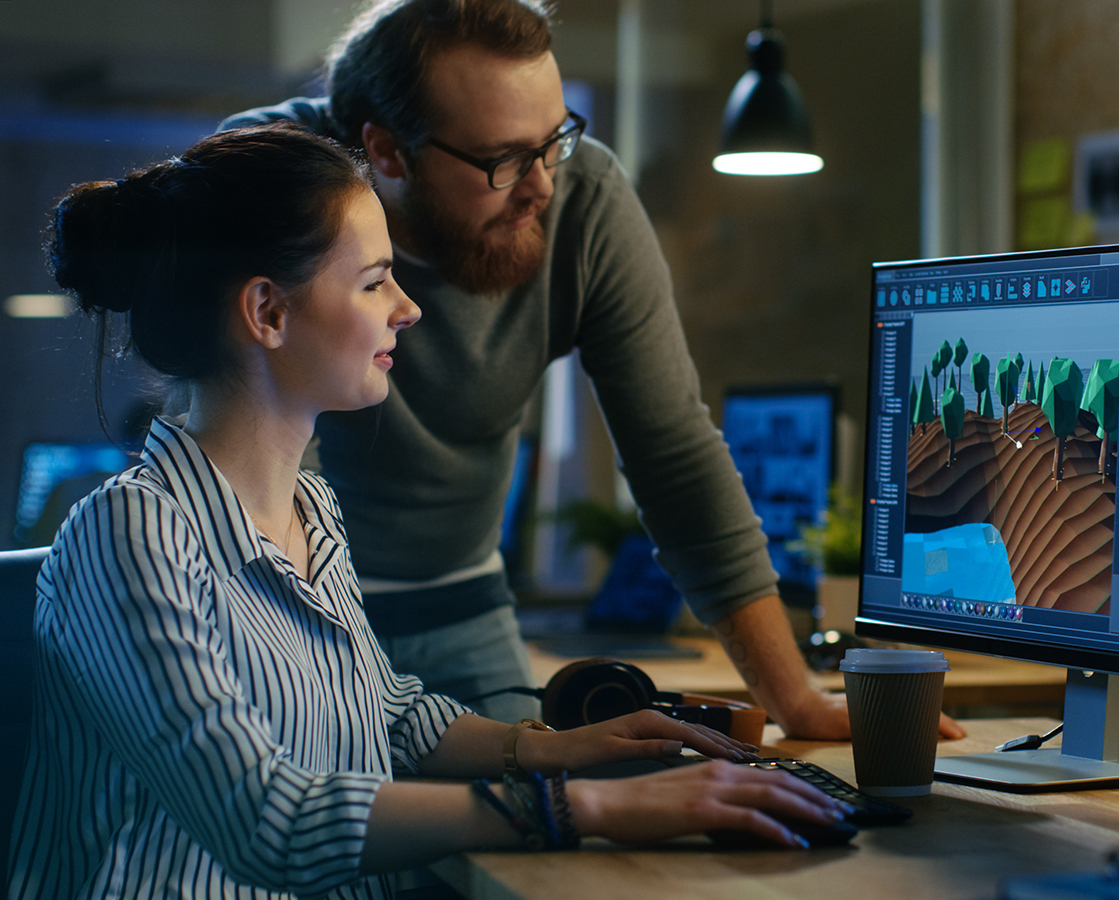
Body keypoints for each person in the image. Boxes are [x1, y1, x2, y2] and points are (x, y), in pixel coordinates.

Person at [6, 125, 848, 899]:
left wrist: (565, 746)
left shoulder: (309, 506)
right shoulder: (126, 538)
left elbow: (386, 711)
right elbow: (272, 820)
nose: (407, 308)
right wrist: (587, 806)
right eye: (374, 281)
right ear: (267, 312)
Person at [220, 0, 965, 741]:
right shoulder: (263, 183)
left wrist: (794, 699)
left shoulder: (582, 201)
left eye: (555, 141)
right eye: (504, 160)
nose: (543, 186)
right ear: (386, 153)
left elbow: (673, 454)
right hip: (284, 602)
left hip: (462, 606)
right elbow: (247, 458)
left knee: (531, 835)